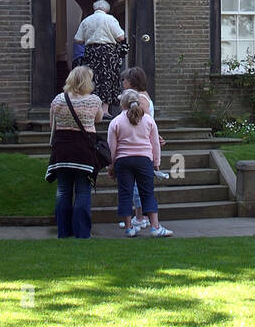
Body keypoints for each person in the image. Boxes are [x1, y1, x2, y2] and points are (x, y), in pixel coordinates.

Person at [45, 65, 105, 239]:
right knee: (83, 191)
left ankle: (63, 231)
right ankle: (82, 232)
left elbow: (52, 124)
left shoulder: (58, 99)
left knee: (63, 190)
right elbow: (98, 119)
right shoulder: (94, 100)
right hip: (84, 151)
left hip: (62, 150)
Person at [107, 88, 173, 237]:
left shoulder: (116, 122)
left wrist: (110, 166)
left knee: (125, 193)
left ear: (122, 104)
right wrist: (156, 162)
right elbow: (155, 143)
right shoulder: (148, 120)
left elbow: (112, 147)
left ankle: (129, 228)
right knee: (148, 193)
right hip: (144, 160)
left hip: (123, 161)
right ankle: (155, 227)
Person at [117, 66, 168, 230]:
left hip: (139, 147)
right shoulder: (142, 96)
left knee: (138, 188)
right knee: (139, 187)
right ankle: (141, 217)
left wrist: (155, 137)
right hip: (142, 145)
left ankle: (140, 217)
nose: (122, 83)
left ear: (130, 82)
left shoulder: (139, 99)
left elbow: (142, 121)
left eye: (124, 80)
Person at [74, 0, 126, 115]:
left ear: (95, 8)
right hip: (108, 53)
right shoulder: (110, 19)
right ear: (106, 9)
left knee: (92, 79)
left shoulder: (86, 21)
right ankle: (105, 110)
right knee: (107, 79)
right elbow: (121, 37)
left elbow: (78, 39)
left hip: (91, 52)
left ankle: (92, 109)